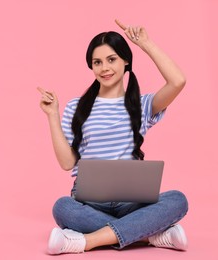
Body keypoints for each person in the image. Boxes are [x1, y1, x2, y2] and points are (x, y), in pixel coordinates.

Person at [37, 19, 188, 255]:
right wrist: (52, 116)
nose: (104, 68)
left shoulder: (142, 105)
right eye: (97, 62)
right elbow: (67, 163)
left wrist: (145, 44)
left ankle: (85, 242)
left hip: (133, 202)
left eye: (111, 59)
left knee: (178, 200)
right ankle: (150, 235)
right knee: (63, 208)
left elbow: (178, 81)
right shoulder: (76, 106)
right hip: (89, 201)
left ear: (125, 61)